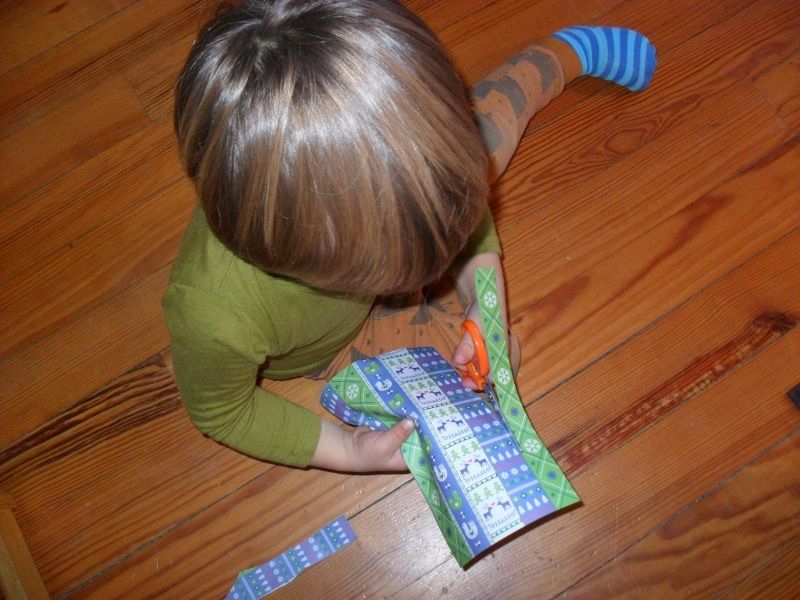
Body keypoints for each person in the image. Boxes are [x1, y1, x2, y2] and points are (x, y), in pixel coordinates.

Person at [163, 0, 656, 473]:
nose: (425, 277)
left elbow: (459, 217)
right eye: (399, 269)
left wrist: (483, 297)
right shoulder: (214, 319)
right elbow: (224, 413)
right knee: (475, 389)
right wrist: (350, 451)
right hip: (335, 342)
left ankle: (564, 53)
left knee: (489, 135)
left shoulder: (427, 162)